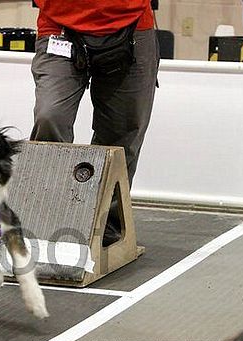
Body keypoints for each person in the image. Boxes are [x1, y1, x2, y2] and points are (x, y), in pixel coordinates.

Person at [30, 0, 160, 245]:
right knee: (50, 116)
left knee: (123, 133)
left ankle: (105, 229)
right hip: (59, 28)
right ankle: (44, 219)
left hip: (132, 25)